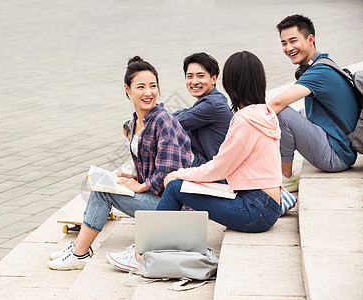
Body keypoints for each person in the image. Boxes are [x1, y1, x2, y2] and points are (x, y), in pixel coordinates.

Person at [106, 51, 284, 272]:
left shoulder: (244, 120)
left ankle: (140, 253)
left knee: (175, 187)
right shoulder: (263, 113)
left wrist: (180, 174)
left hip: (255, 209)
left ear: (229, 82)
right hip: (264, 203)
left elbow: (219, 168)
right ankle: (156, 243)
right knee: (180, 185)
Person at [47, 56, 192, 271]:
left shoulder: (163, 120)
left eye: (153, 86)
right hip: (157, 199)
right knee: (101, 185)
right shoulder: (136, 121)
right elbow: (151, 161)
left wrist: (142, 186)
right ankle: (79, 247)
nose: (148, 92)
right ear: (128, 89)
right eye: (140, 87)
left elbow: (169, 171)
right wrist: (134, 176)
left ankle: (80, 252)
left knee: (102, 192)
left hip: (172, 207)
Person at [269, 14, 359, 192]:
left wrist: (243, 123)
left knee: (282, 114)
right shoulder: (323, 63)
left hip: (337, 156)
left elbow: (276, 103)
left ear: (310, 39)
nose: (288, 48)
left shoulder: (318, 72)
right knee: (302, 111)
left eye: (293, 41)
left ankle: (286, 180)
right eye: (284, 43)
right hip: (343, 148)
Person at [124, 52, 233, 167]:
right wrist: (133, 123)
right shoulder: (207, 103)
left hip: (218, 177)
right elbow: (177, 115)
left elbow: (166, 123)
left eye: (200, 76)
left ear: (213, 79)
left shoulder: (212, 105)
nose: (194, 81)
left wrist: (135, 125)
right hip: (209, 169)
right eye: (190, 76)